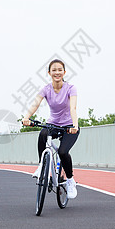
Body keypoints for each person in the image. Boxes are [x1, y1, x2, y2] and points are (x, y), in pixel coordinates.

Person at [22, 59, 80, 199]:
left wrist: (75, 125)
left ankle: (70, 181)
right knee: (43, 134)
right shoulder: (46, 89)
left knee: (62, 151)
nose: (57, 72)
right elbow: (35, 104)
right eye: (54, 70)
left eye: (60, 70)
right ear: (49, 73)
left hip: (69, 126)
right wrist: (26, 117)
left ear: (64, 72)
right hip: (53, 124)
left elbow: (73, 107)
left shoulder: (71, 88)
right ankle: (42, 166)